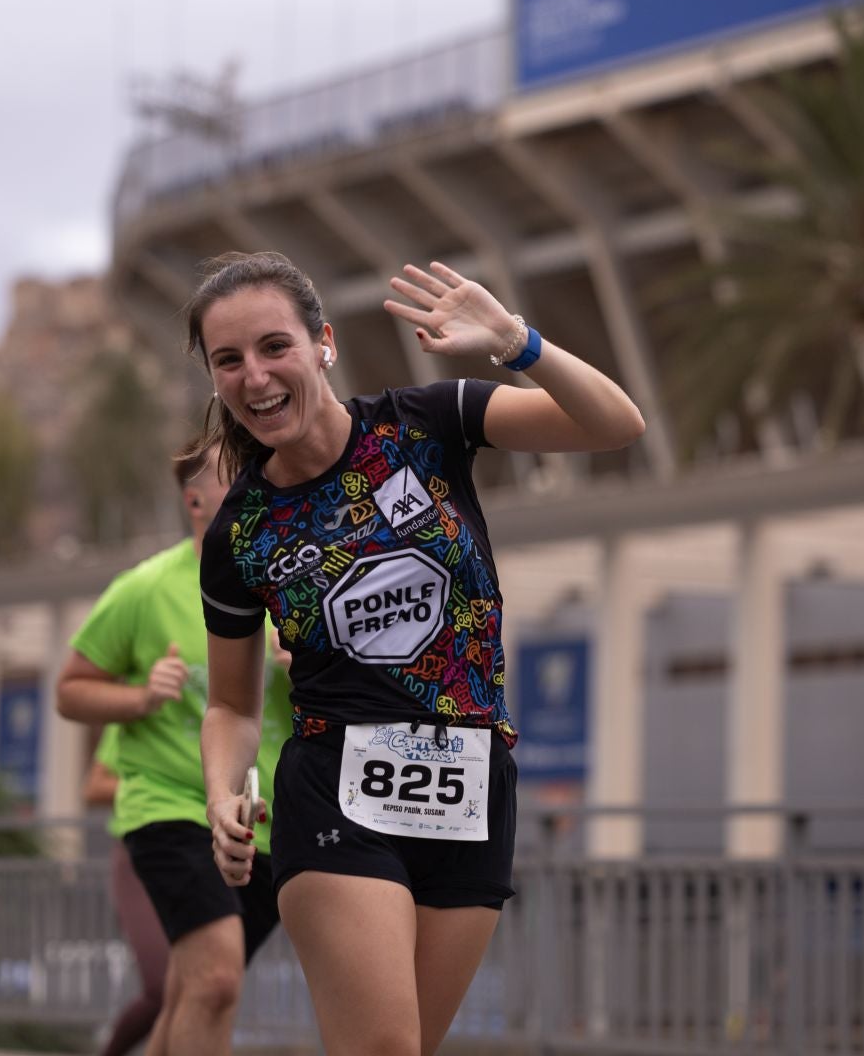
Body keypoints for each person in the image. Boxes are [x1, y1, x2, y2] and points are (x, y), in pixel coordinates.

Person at [192, 252, 644, 1056]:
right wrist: (221, 793)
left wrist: (515, 340)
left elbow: (615, 425)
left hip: (472, 788)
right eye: (229, 360)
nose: (255, 377)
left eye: (273, 347)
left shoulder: (425, 422)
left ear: (323, 342)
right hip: (337, 790)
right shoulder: (241, 531)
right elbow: (230, 702)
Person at [57, 442, 291, 1056]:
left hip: (264, 825)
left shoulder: (294, 580)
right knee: (214, 982)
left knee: (192, 993)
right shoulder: (144, 589)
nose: (255, 477)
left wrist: (311, 667)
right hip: (171, 806)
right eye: (235, 471)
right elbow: (70, 692)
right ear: (195, 500)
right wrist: (140, 698)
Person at [82, 727, 167, 1056]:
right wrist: (166, 787)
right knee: (164, 986)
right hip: (140, 856)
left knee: (198, 988)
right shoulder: (138, 713)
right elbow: (93, 787)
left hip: (205, 858)